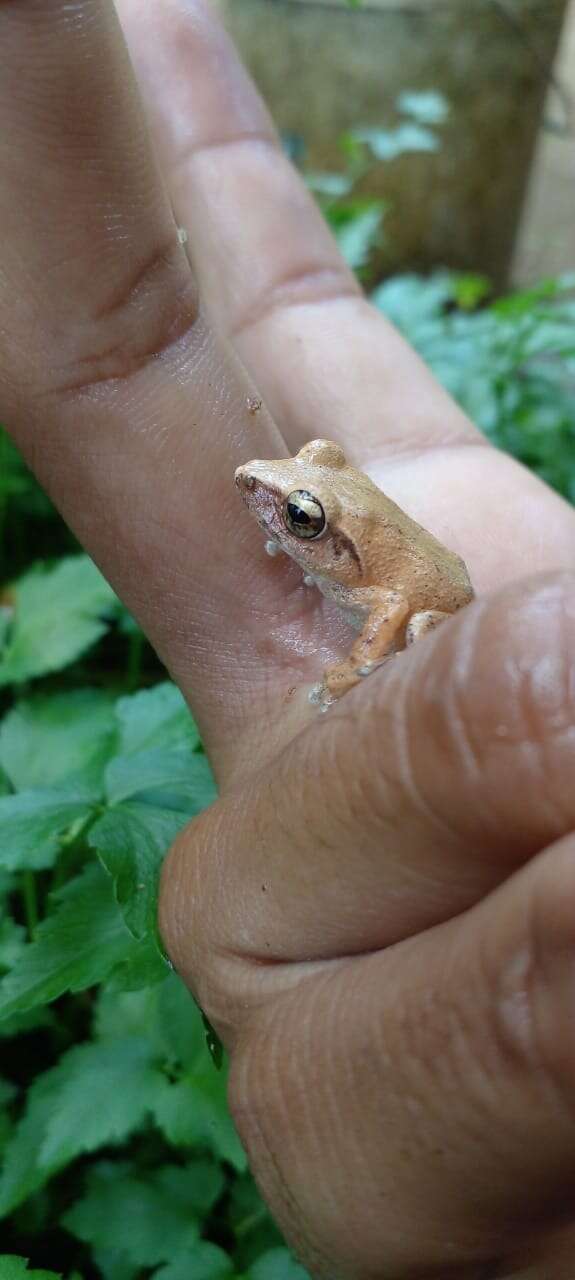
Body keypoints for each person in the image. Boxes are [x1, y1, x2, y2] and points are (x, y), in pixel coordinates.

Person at [2, 2, 575, 1275]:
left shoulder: (383, 591)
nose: (270, 495)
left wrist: (356, 677)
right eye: (300, 487)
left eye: (295, 510)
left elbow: (395, 606)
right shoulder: (305, 474)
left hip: (426, 595)